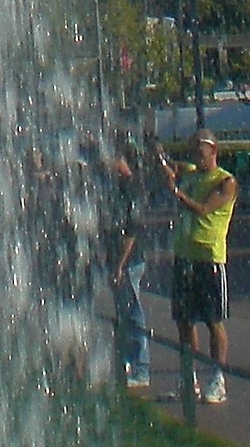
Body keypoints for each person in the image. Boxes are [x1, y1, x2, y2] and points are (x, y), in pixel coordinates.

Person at [159, 132, 237, 406]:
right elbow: (176, 166)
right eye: (193, 149)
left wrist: (176, 193)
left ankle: (217, 377)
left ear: (213, 150)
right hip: (185, 257)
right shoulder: (192, 172)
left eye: (200, 149)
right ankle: (188, 376)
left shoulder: (225, 182)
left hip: (209, 259)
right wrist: (164, 162)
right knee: (183, 319)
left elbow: (203, 209)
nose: (196, 154)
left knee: (213, 320)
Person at [106, 138, 150, 392]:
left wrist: (120, 264)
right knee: (124, 312)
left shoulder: (130, 188)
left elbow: (131, 230)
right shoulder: (118, 186)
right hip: (119, 261)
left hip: (129, 261)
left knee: (133, 313)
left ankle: (141, 367)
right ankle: (127, 363)